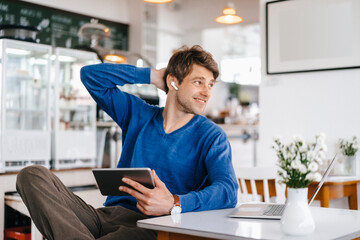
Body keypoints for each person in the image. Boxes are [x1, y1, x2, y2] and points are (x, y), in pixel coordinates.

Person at [16, 45, 239, 240]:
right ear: (174, 82)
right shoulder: (138, 114)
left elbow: (227, 191)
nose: (206, 92)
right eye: (198, 82)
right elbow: (90, 76)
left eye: (210, 84)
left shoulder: (212, 136)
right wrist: (152, 76)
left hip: (154, 225)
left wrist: (174, 202)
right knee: (31, 176)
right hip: (106, 216)